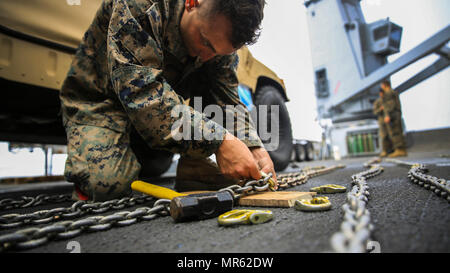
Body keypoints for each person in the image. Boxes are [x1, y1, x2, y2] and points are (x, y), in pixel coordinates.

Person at [59, 0, 278, 201]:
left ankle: (194, 166)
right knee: (108, 186)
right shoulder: (141, 5)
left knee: (212, 77)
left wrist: (253, 146)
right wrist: (218, 141)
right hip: (102, 102)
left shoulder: (217, 41)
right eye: (205, 42)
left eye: (218, 52)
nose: (206, 56)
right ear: (193, 2)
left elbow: (227, 101)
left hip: (159, 113)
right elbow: (143, 95)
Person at [374, 80, 407, 158]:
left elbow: (389, 106)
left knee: (395, 132)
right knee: (394, 132)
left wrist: (387, 115)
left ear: (384, 85)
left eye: (382, 85)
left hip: (392, 115)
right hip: (395, 114)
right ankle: (398, 149)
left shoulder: (388, 93)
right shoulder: (393, 92)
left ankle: (400, 150)